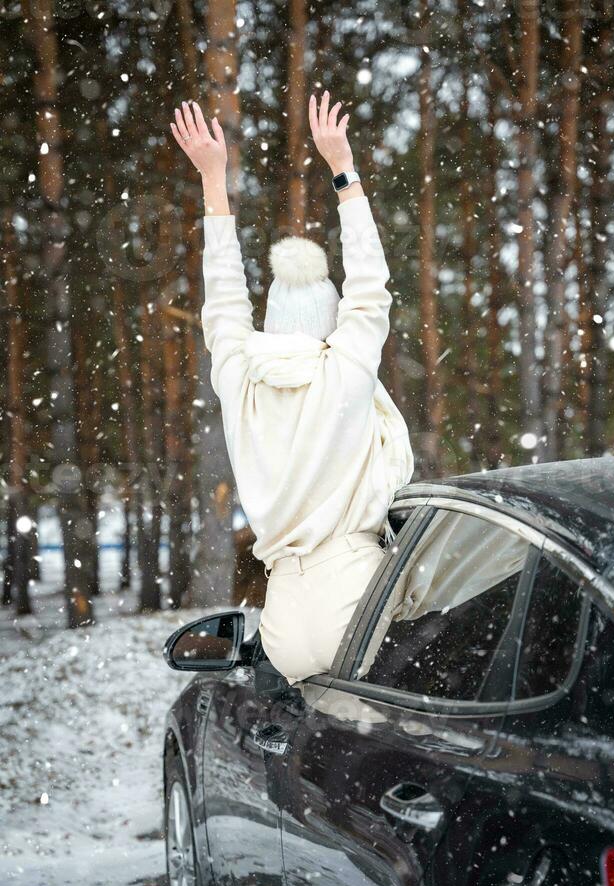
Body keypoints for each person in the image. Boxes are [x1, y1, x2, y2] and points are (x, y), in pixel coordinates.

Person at [170, 90, 414, 685]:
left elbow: (222, 298)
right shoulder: (343, 373)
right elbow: (371, 283)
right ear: (331, 324)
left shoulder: (239, 375)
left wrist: (213, 180)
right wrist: (343, 170)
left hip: (282, 620)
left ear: (271, 322)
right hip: (356, 600)